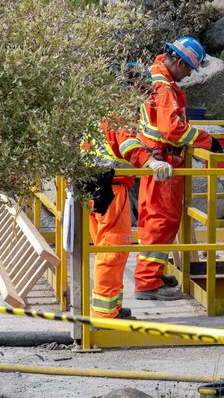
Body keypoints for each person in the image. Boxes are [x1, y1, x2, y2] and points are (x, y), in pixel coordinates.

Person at [133, 36, 224, 300]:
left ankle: (150, 273)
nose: (187, 76)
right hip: (164, 165)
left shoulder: (156, 77)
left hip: (158, 161)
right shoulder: (163, 87)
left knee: (153, 221)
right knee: (161, 222)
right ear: (178, 61)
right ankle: (148, 282)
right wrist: (206, 140)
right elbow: (171, 129)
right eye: (187, 69)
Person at [81, 121, 148, 318]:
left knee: (107, 249)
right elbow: (129, 147)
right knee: (113, 251)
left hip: (92, 187)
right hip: (113, 189)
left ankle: (112, 308)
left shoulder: (94, 116)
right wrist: (152, 162)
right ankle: (104, 315)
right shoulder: (118, 119)